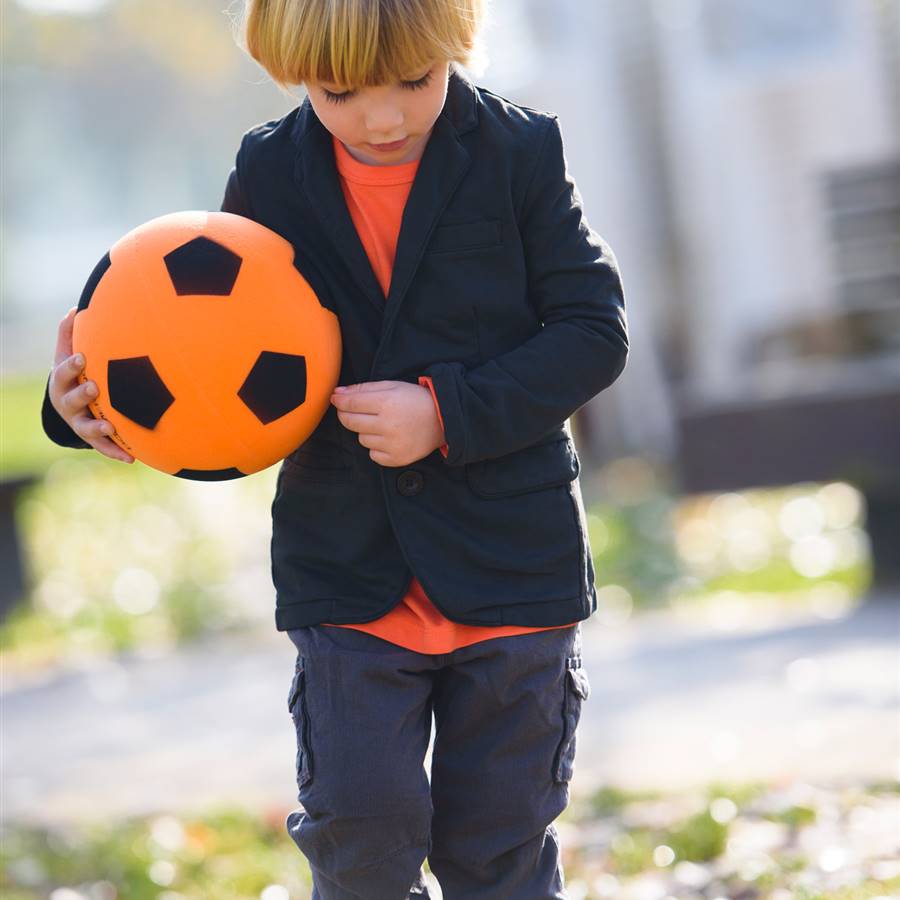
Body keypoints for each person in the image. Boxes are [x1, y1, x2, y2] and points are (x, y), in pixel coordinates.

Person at [40, 0, 629, 895]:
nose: (382, 117)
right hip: (348, 566)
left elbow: (594, 328)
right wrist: (78, 407)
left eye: (415, 81)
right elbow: (208, 342)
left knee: (498, 848)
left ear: (455, 46)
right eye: (341, 90)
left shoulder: (518, 151)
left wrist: (447, 411)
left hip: (513, 566)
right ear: (292, 69)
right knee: (362, 832)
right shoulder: (271, 171)